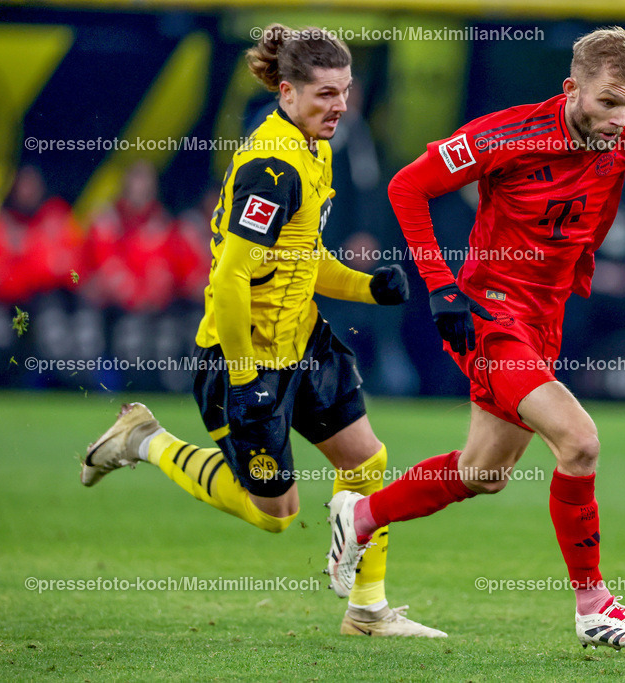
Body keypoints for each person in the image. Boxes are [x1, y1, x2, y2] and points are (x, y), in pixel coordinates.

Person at [325, 26, 625, 650]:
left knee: (482, 473)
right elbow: (407, 186)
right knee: (579, 441)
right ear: (572, 88)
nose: (621, 117)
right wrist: (440, 286)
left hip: (545, 319)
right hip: (491, 313)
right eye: (608, 102)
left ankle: (359, 518)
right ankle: (595, 606)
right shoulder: (508, 135)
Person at [80, 23, 445, 638]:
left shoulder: (316, 148)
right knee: (276, 514)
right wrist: (247, 374)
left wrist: (365, 287)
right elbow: (227, 280)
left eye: (346, 91)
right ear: (286, 93)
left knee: (367, 459)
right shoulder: (272, 166)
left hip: (303, 337)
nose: (340, 106)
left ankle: (367, 610)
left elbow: (304, 258)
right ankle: (143, 438)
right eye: (326, 94)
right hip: (241, 358)